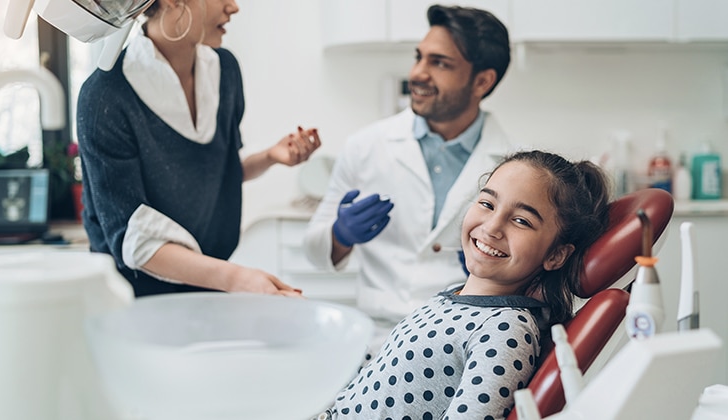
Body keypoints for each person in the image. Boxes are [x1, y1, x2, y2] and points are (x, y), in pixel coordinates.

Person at [318, 150, 612, 420]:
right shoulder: (452, 296)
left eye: (521, 221)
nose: (492, 227)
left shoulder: (504, 328)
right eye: (487, 203)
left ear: (556, 254)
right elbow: (384, 373)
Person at [77, 0, 321, 297]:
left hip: (209, 284)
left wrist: (271, 156)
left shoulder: (226, 70)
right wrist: (236, 279)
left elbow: (216, 169)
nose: (233, 7)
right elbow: (133, 237)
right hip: (135, 301)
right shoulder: (105, 97)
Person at [304, 4, 513, 343]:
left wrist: (496, 271)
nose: (417, 73)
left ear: (482, 81)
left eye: (439, 63)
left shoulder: (514, 166)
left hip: (466, 337)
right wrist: (341, 234)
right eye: (419, 57)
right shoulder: (366, 146)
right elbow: (314, 250)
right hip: (379, 338)